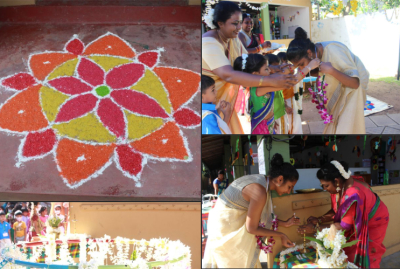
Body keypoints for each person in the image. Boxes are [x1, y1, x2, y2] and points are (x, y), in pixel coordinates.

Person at [202, 1, 297, 134]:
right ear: (220, 23)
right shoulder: (208, 43)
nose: (239, 28)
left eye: (240, 23)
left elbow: (249, 62)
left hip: (223, 101)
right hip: (207, 102)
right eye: (235, 23)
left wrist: (273, 68)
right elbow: (228, 74)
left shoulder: (232, 39)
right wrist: (270, 80)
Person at [203, 153, 300, 268]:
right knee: (233, 262)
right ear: (280, 179)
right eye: (290, 187)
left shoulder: (262, 181)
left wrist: (284, 223)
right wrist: (281, 235)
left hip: (224, 219)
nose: (289, 191)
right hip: (226, 226)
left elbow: (259, 216)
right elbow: (252, 228)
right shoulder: (259, 191)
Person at [299, 161, 389, 268]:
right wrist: (320, 219)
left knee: (366, 254)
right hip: (355, 220)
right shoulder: (340, 186)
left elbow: (343, 226)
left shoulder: (352, 195)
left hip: (374, 221)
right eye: (322, 186)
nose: (324, 189)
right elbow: (338, 210)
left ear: (336, 181)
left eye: (326, 185)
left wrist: (314, 228)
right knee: (346, 251)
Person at [287, 27, 369, 134]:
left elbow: (355, 83)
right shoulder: (315, 54)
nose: (301, 69)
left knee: (347, 122)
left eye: (301, 64)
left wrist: (331, 70)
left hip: (355, 84)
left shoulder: (334, 51)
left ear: (309, 53)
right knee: (336, 119)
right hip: (343, 80)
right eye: (298, 66)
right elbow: (317, 71)